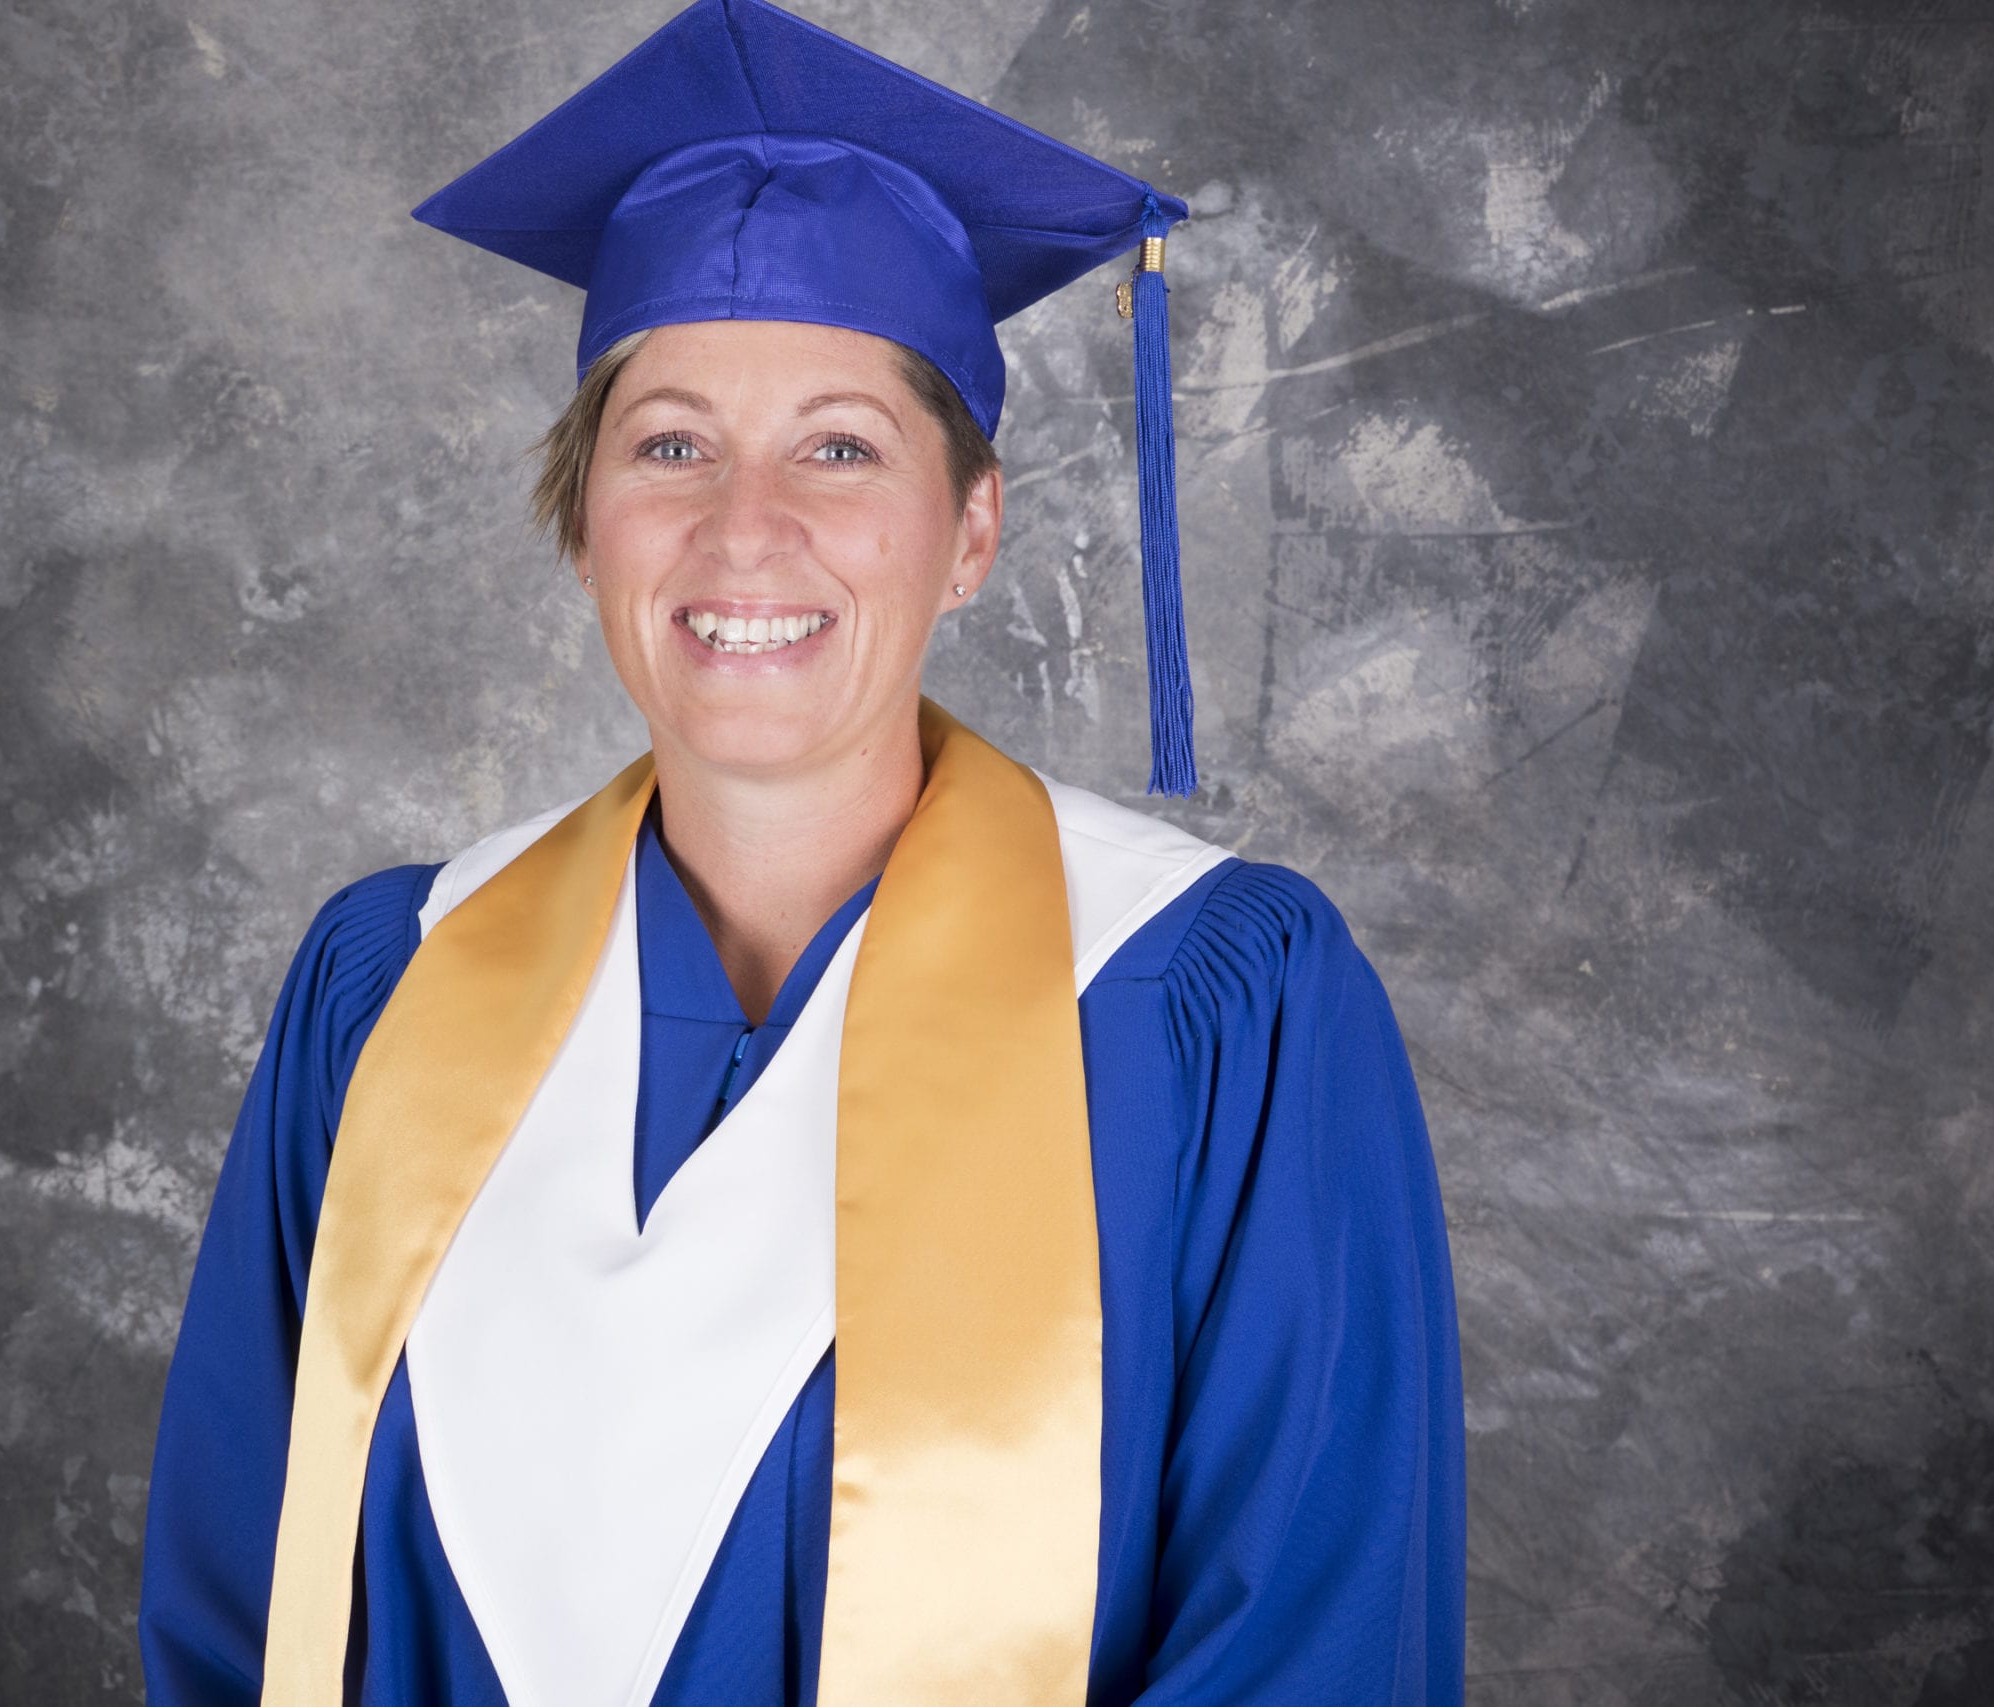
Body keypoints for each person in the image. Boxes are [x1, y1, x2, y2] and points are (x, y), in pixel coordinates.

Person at [138, 2, 1465, 1702]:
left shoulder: (1211, 1006)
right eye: (668, 443)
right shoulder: (387, 985)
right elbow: (243, 1614)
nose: (741, 528)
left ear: (971, 529)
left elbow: (1315, 1645)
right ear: (583, 515)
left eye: (842, 447)